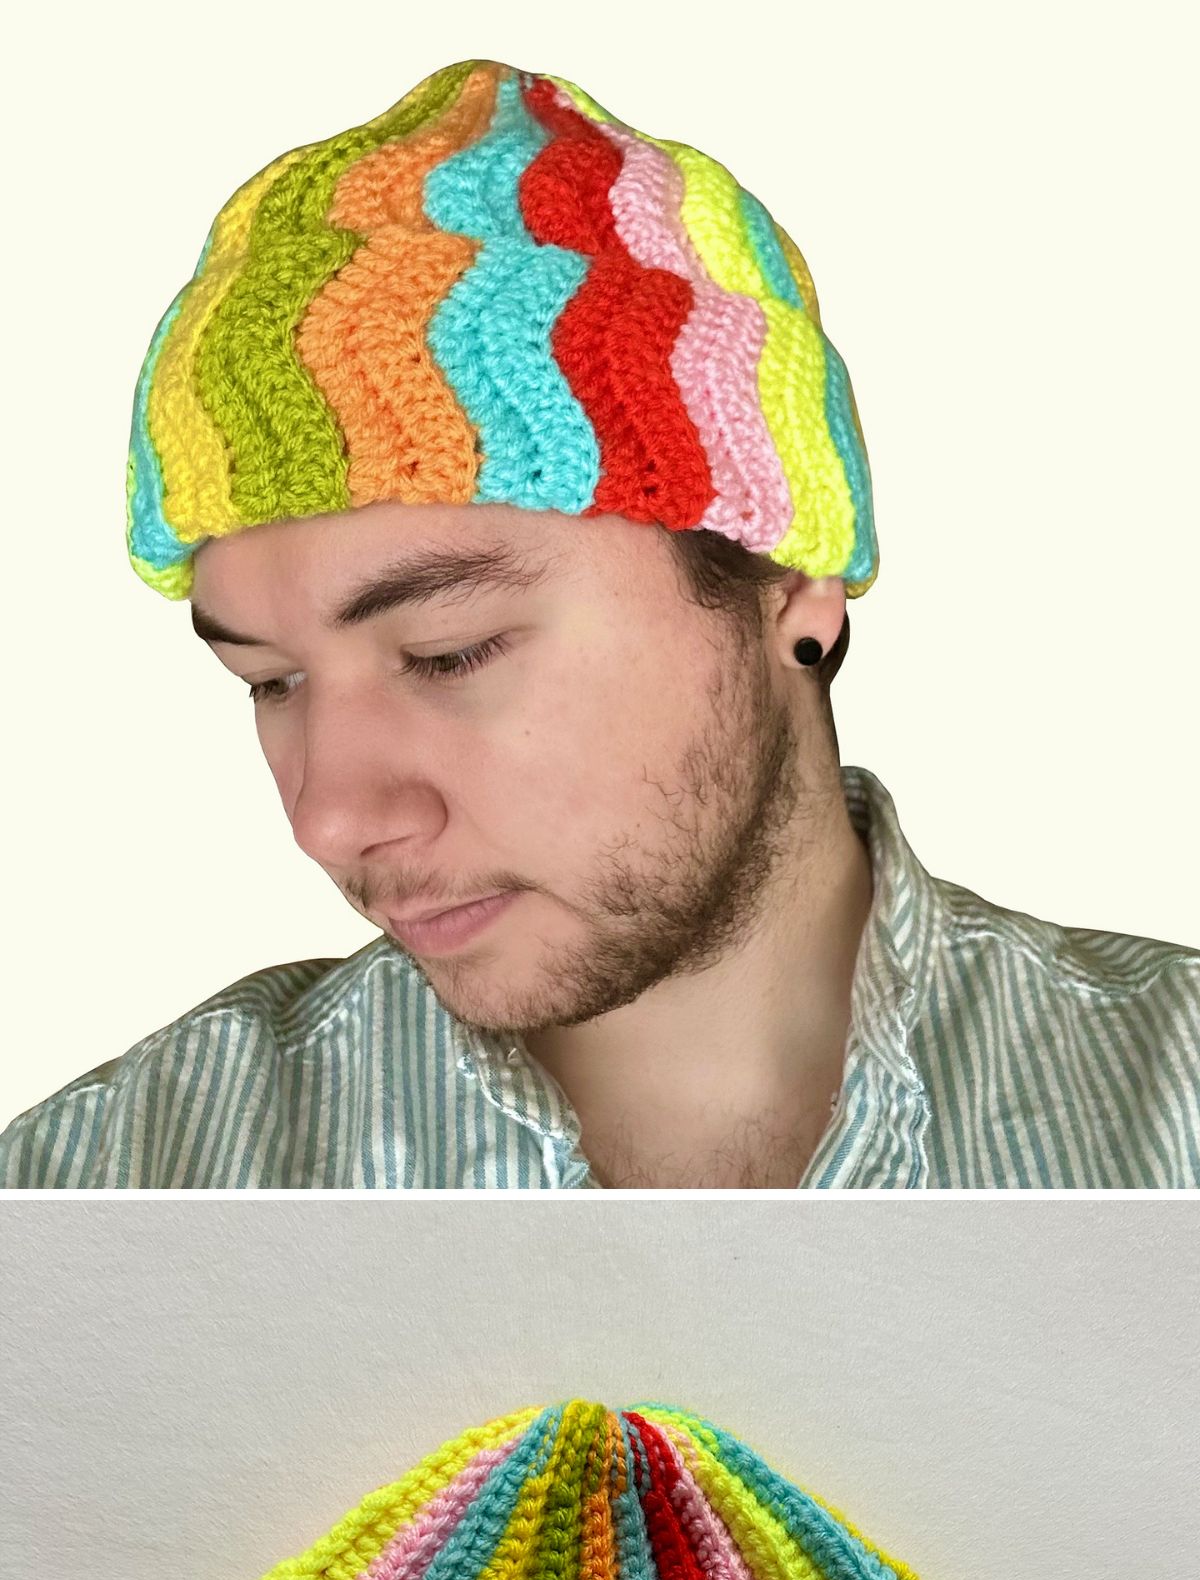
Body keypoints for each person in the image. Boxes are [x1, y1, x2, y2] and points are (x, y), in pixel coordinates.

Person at [3, 56, 1197, 1189]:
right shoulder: (102, 1179)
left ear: (795, 587)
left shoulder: (1170, 1111)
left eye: (449, 651)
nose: (331, 818)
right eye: (268, 681)